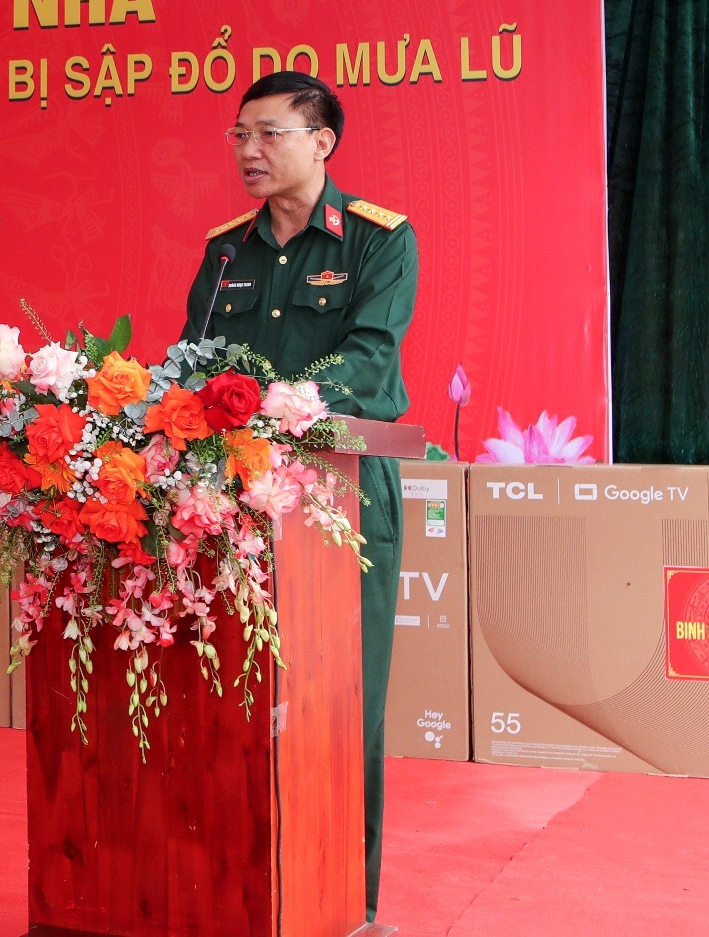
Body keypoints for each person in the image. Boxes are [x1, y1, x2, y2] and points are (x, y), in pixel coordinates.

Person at [179, 70, 417, 922]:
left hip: (338, 496)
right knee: (231, 702)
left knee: (344, 705)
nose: (249, 150)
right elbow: (191, 363)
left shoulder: (378, 240)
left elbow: (369, 361)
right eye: (240, 134)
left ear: (322, 143)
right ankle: (237, 895)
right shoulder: (226, 252)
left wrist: (269, 404)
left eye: (268, 134)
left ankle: (343, 905)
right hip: (233, 496)